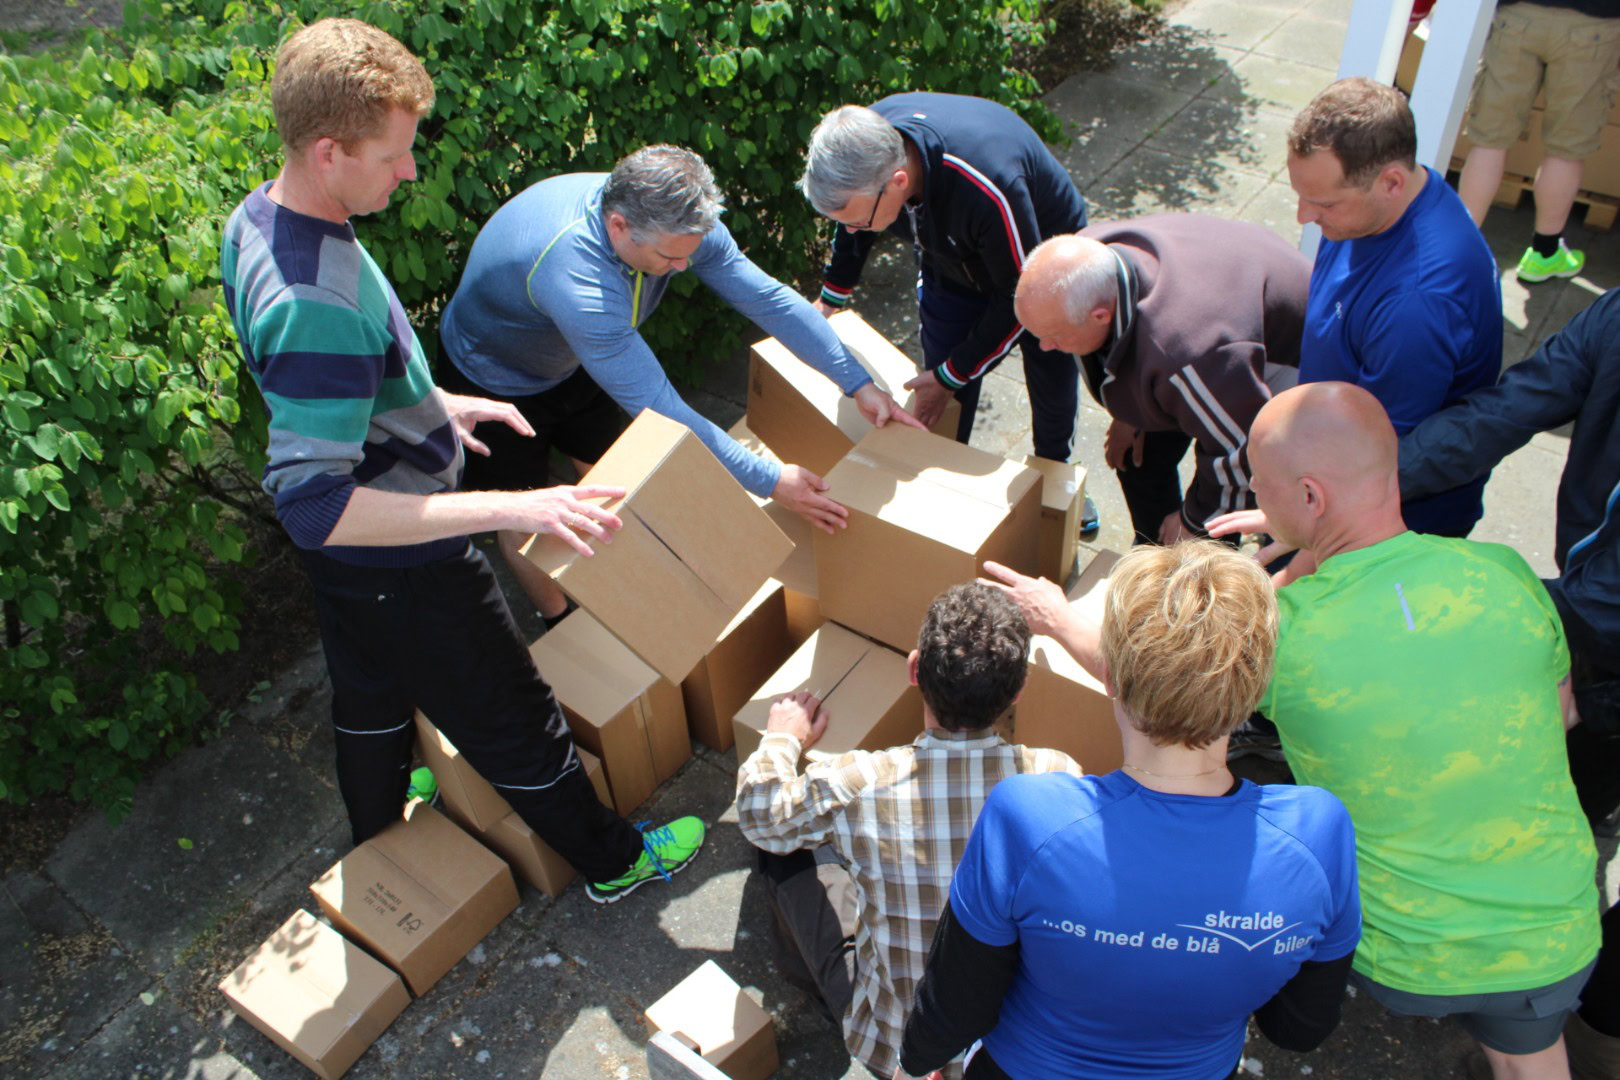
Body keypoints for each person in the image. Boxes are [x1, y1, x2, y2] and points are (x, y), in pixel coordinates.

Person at [219, 18, 703, 904]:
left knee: (368, 697)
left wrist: (431, 402)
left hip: (352, 577)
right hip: (402, 565)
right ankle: (613, 862)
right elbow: (314, 506)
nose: (408, 171)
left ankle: (376, 841)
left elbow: (336, 383)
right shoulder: (311, 301)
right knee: (516, 717)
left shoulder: (264, 216)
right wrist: (511, 510)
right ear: (329, 151)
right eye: (393, 155)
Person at [1211, 382, 1599, 1080]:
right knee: (1528, 1047)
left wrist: (1057, 615)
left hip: (1402, 960)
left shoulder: (1283, 636)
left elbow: (1162, 687)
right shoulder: (1505, 575)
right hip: (1559, 937)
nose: (1256, 501)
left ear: (1310, 496)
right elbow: (1563, 714)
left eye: (1260, 487)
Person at [893, 542, 1361, 1080]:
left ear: (1108, 676)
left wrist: (915, 1065)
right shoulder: (1318, 836)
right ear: (1254, 689)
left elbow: (958, 1005)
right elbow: (1298, 1029)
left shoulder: (1029, 817)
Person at [438, 144, 923, 623]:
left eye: (688, 254)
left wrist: (856, 381)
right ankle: (560, 622)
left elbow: (769, 301)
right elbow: (663, 409)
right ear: (618, 227)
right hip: (492, 378)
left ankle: (618, 572)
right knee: (525, 515)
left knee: (607, 471)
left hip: (571, 360)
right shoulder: (580, 285)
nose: (682, 268)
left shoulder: (677, 224)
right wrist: (771, 480)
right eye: (669, 257)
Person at [1399, 292, 1620, 1079]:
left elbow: (1602, 610)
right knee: (1575, 790)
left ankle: (1594, 1026)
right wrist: (1368, 486)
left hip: (1602, 623)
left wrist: (1439, 601)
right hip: (1595, 632)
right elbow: (1511, 406)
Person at [734, 583, 1081, 1080]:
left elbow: (757, 814)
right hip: (1004, 1054)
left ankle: (804, 974)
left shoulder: (859, 783)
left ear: (914, 669)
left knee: (784, 850)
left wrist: (782, 740)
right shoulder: (1058, 777)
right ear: (1020, 687)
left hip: (894, 1042)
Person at [799, 93, 1088, 465]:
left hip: (1044, 263)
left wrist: (952, 376)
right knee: (941, 378)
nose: (851, 231)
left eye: (858, 222)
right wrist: (830, 298)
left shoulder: (988, 185)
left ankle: (1055, 482)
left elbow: (1019, 295)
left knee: (1050, 369)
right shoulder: (862, 149)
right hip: (951, 254)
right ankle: (944, 474)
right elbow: (853, 222)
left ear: (898, 182)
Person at [1287, 76, 1502, 538]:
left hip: (1380, 524)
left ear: (1391, 182)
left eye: (1322, 202)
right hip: (1330, 469)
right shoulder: (1375, 211)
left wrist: (1299, 556)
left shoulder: (1419, 302)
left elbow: (1378, 460)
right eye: (1299, 195)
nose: (1303, 216)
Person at [1014, 216, 1310, 546]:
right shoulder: (1090, 252)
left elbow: (1241, 453)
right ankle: (1157, 551)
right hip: (1217, 325)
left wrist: (1195, 524)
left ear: (1100, 316)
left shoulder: (1184, 353)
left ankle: (1206, 569)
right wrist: (1128, 412)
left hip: (1290, 367)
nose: (1045, 347)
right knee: (1136, 460)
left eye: (1055, 336)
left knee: (1250, 519)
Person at [1455, 0, 1620, 282]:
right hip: (1594, 21)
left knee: (1489, 141)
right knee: (1566, 149)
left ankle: (1455, 251)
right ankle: (1545, 252)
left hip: (1519, 14)